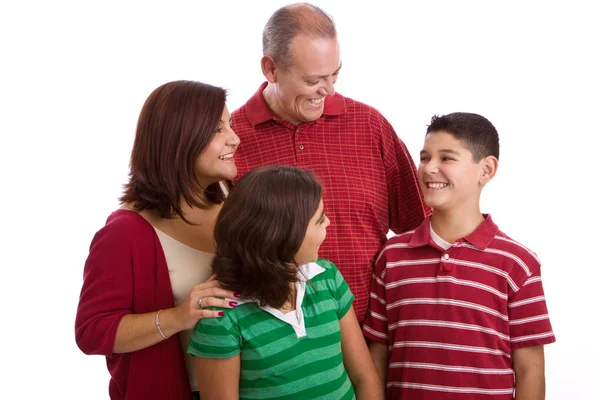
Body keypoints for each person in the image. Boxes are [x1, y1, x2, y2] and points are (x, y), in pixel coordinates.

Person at [230, 3, 429, 323]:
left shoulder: (370, 124)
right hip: (274, 349)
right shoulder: (232, 138)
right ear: (271, 69)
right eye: (313, 80)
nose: (329, 90)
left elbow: (420, 225)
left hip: (372, 337)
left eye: (335, 74)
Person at [363, 112, 556, 399]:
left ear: (486, 170)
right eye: (425, 157)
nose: (429, 168)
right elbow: (377, 354)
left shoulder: (517, 263)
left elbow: (530, 370)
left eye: (447, 158)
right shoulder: (392, 257)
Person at [75, 80, 241, 400]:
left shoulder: (234, 202)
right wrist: (180, 317)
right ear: (181, 141)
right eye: (218, 130)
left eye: (230, 125)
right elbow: (91, 332)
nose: (234, 138)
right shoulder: (125, 232)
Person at [187, 166, 384, 399]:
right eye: (319, 220)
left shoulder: (327, 277)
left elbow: (365, 378)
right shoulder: (221, 318)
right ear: (283, 235)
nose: (329, 223)